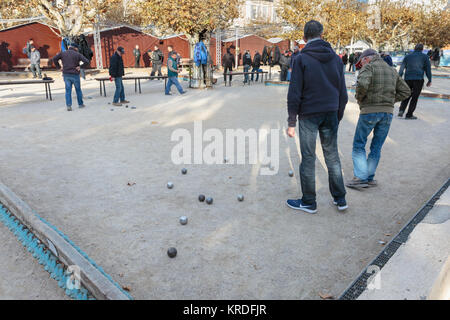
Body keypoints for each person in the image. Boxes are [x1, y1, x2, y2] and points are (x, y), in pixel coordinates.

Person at [286, 20, 348, 214]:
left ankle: (309, 201)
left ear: (304, 38)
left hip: (309, 114)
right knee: (332, 156)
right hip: (330, 111)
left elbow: (294, 92)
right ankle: (340, 198)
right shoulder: (336, 59)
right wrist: (337, 115)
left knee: (308, 157)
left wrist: (291, 121)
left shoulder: (301, 59)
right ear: (322, 35)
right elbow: (343, 93)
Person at [346, 49, 411, 189]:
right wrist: (390, 101)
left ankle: (360, 178)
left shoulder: (368, 67)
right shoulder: (392, 70)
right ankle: (369, 178)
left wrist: (360, 99)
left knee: (359, 144)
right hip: (387, 113)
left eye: (361, 62)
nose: (361, 65)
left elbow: (362, 85)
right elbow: (406, 91)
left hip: (369, 111)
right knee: (376, 147)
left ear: (366, 59)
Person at [398, 43, 432, 120]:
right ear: (422, 49)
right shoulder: (425, 57)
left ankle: (401, 110)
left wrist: (398, 78)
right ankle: (409, 114)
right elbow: (428, 70)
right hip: (418, 79)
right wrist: (429, 79)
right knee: (414, 97)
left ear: (414, 48)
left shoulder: (407, 56)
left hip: (407, 79)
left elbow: (401, 69)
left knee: (406, 95)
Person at [52, 43, 89, 111]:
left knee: (68, 91)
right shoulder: (77, 54)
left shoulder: (63, 53)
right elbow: (86, 61)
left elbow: (54, 59)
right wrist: (80, 67)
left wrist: (59, 67)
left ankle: (69, 106)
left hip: (66, 74)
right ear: (76, 48)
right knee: (78, 90)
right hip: (75, 75)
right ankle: (80, 104)